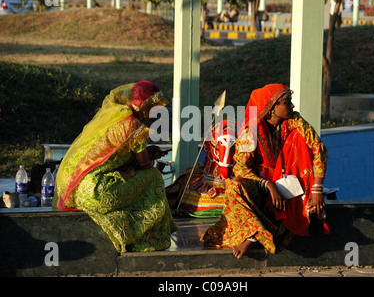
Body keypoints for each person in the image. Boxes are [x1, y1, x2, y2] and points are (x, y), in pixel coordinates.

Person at [203, 84, 328, 259]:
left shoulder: (294, 121)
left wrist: (317, 189)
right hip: (260, 184)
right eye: (287, 102)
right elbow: (240, 168)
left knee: (301, 138)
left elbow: (318, 147)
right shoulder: (251, 130)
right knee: (234, 186)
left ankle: (256, 234)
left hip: (287, 181)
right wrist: (268, 185)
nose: (292, 106)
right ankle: (255, 234)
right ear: (271, 108)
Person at [54, 81, 178, 253]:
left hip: (77, 191)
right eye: (152, 107)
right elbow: (144, 165)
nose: (152, 114)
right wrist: (149, 157)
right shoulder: (135, 126)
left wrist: (146, 152)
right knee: (153, 176)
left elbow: (114, 157)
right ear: (143, 105)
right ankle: (147, 239)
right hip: (98, 192)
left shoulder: (115, 118)